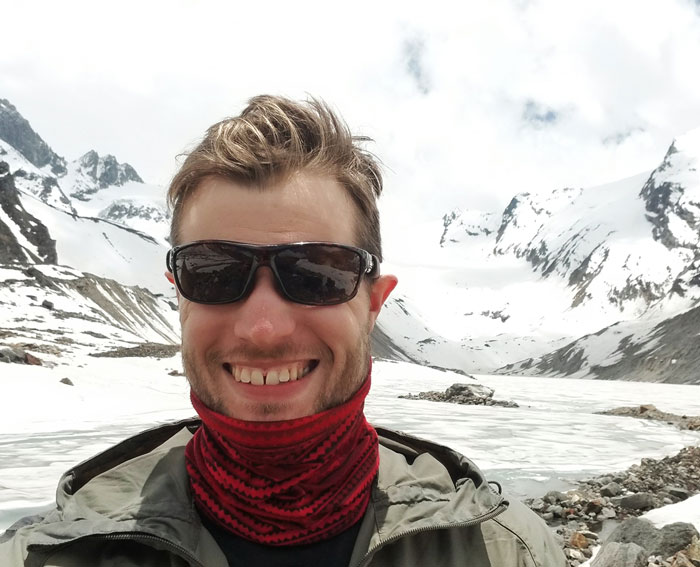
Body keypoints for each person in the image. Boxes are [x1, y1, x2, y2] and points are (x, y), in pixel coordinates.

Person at [0, 96, 565, 566]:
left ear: (374, 302)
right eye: (213, 273)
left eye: (318, 274)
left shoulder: (508, 552)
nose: (263, 329)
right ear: (179, 296)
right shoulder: (46, 555)